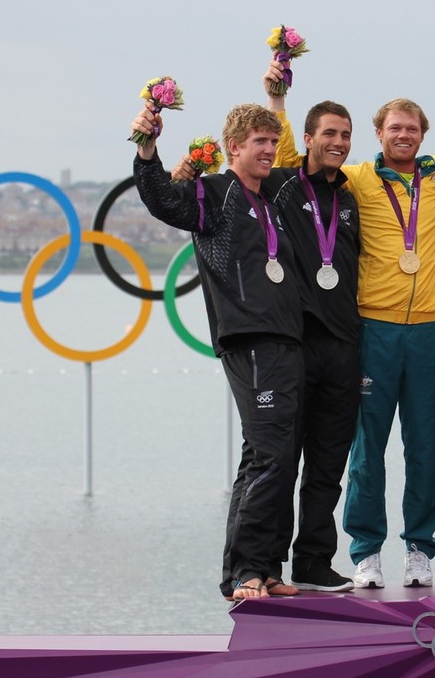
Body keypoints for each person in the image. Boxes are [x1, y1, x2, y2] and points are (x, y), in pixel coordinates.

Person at [266, 62, 435, 589]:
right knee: (365, 449)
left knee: (426, 449)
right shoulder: (354, 176)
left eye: (413, 129)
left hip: (430, 331)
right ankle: (365, 551)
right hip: (372, 331)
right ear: (378, 135)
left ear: (424, 136)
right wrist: (278, 100)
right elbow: (292, 161)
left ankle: (420, 549)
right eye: (394, 128)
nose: (404, 136)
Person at [130, 101, 302, 601]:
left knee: (273, 457)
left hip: (286, 339)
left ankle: (265, 568)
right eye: (259, 143)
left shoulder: (270, 198)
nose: (269, 150)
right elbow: (163, 200)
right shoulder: (213, 193)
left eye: (273, 142)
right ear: (234, 148)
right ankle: (243, 573)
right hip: (248, 339)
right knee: (269, 456)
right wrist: (147, 149)